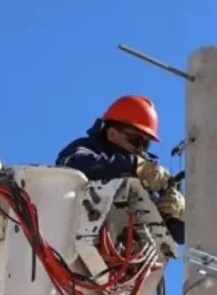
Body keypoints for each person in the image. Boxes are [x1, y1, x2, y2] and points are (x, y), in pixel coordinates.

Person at [56, 95, 185, 245]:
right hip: (77, 239)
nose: (140, 149)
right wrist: (134, 166)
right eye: (136, 141)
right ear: (112, 134)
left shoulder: (148, 180)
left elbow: (176, 237)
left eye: (146, 144)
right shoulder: (85, 148)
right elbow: (74, 166)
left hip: (127, 257)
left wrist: (177, 214)